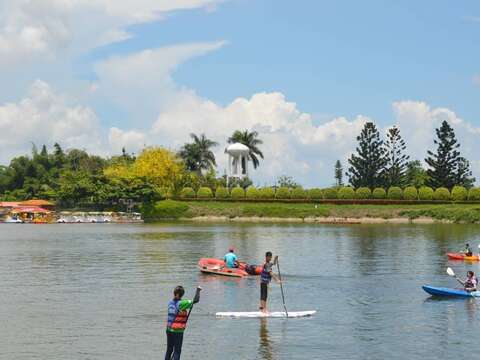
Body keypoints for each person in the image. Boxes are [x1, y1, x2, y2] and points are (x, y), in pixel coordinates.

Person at [165, 286, 201, 360]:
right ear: (180, 294)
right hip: (177, 331)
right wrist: (198, 290)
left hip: (169, 330)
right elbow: (196, 300)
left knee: (169, 350)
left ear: (174, 293)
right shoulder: (182, 303)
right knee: (177, 351)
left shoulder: (170, 302)